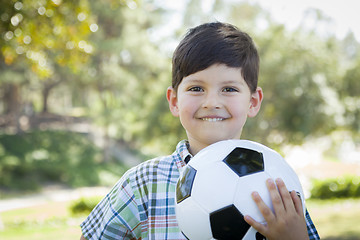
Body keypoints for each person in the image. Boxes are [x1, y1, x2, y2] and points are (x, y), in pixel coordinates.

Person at [80, 22, 320, 240]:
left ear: (253, 102)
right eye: (196, 88)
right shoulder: (143, 183)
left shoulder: (277, 182)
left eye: (229, 89)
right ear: (174, 101)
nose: (211, 102)